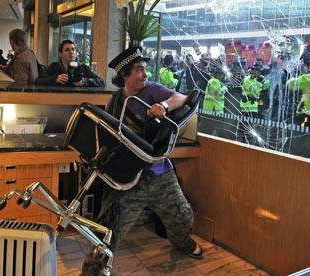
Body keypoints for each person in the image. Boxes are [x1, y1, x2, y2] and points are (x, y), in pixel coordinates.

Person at [97, 46, 203, 258]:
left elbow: (180, 98)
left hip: (159, 172)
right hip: (130, 179)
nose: (145, 74)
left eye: (145, 68)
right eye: (138, 69)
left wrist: (163, 105)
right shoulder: (115, 101)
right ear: (124, 75)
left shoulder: (152, 90)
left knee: (182, 216)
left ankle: (182, 243)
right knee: (109, 231)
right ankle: (95, 269)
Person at [35, 39, 104, 87]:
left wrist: (84, 82)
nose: (71, 52)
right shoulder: (54, 66)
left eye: (73, 49)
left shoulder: (82, 67)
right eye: (67, 50)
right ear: (60, 54)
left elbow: (101, 81)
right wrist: (55, 79)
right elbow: (38, 81)